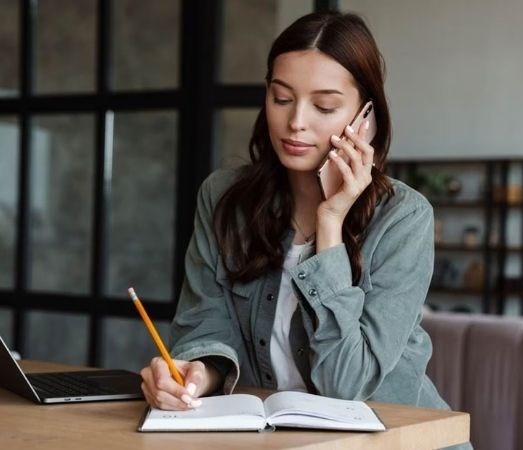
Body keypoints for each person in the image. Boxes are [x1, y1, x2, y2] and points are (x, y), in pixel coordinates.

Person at [140, 10, 455, 421]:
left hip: (395, 439)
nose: (295, 123)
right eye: (282, 98)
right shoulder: (222, 199)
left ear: (366, 119)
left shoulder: (404, 218)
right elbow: (203, 327)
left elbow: (346, 384)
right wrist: (194, 375)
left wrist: (330, 223)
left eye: (324, 106)